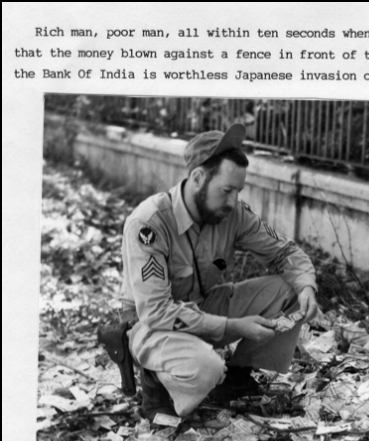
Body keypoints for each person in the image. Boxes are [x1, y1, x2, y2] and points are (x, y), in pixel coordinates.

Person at [119, 123, 318, 421]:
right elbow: (157, 311)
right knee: (207, 368)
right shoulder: (149, 224)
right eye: (226, 190)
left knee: (289, 288)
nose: (233, 201)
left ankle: (237, 381)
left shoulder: (232, 214)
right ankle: (154, 381)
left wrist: (306, 287)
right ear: (198, 178)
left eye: (237, 191)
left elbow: (284, 252)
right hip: (152, 325)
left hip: (202, 308)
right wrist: (234, 327)